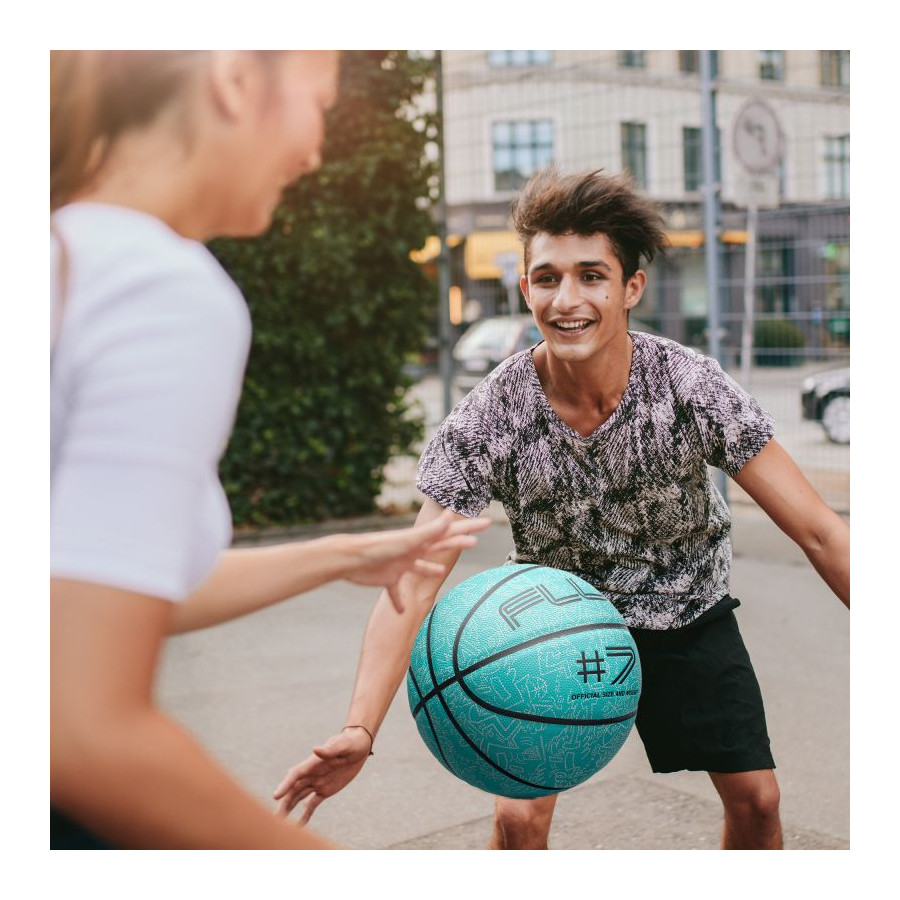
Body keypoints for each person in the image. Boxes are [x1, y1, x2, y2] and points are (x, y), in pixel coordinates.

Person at [273, 166, 850, 850]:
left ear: (631, 287)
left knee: (757, 802)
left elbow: (819, 530)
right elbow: (416, 577)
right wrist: (360, 727)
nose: (567, 299)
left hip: (686, 610)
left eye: (591, 275)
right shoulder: (492, 413)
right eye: (547, 278)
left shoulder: (688, 386)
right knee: (518, 820)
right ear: (526, 289)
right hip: (552, 624)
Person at [49, 49, 490, 850]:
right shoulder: (159, 287)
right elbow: (81, 730)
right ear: (235, 79)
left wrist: (344, 553)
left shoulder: (64, 248)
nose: (315, 151)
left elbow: (90, 596)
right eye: (319, 102)